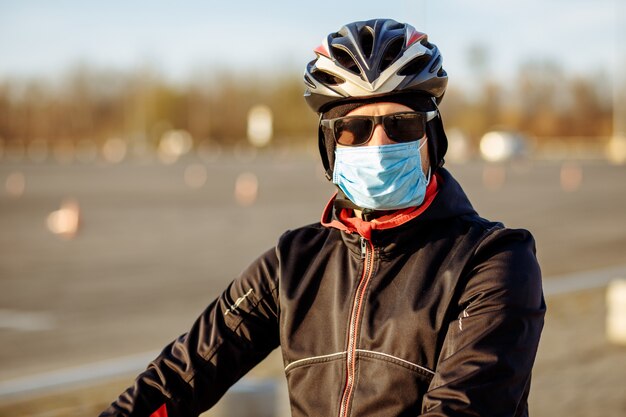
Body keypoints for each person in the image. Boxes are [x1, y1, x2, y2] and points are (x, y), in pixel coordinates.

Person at [101, 18, 545, 417]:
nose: (378, 146)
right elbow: (181, 377)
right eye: (353, 129)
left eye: (402, 126)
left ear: (433, 138)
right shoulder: (293, 261)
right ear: (330, 150)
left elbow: (464, 407)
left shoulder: (493, 261)